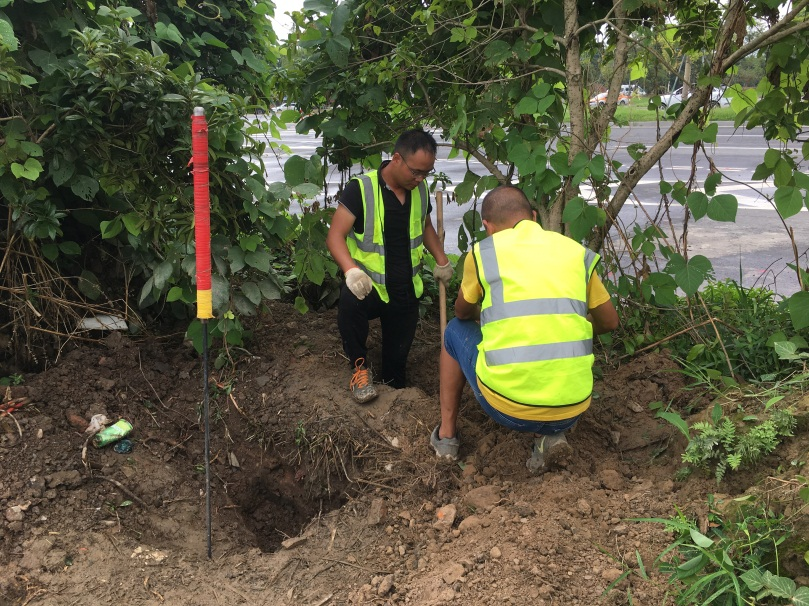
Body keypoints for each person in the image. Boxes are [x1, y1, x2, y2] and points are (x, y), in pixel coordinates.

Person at [430, 185, 619, 473]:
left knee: (454, 331)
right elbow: (609, 321)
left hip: (508, 409)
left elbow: (462, 312)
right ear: (533, 217)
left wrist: (490, 316)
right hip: (573, 407)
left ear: (487, 227)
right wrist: (565, 326)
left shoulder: (484, 254)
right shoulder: (574, 252)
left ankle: (446, 438)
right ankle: (551, 435)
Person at [326, 129, 452, 403]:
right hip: (368, 286)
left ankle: (394, 391)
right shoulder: (362, 189)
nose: (420, 179)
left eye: (426, 173)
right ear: (396, 159)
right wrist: (351, 271)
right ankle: (360, 369)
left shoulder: (419, 191)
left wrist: (442, 260)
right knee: (349, 303)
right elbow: (335, 236)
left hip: (404, 289)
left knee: (396, 368)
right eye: (415, 172)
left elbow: (426, 227)